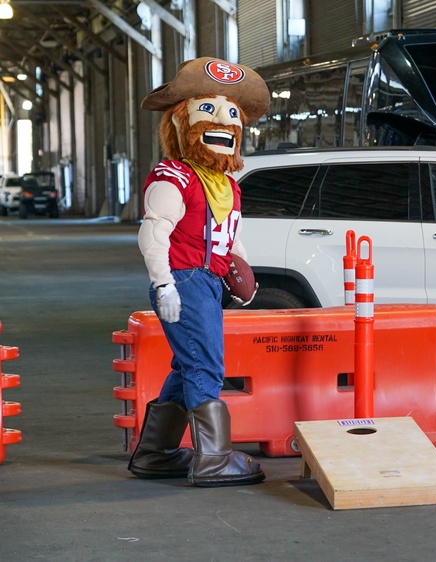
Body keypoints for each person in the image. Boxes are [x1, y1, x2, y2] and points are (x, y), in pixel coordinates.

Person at [127, 58, 268, 487]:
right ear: (181, 123)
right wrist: (163, 284)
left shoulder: (226, 184)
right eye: (208, 110)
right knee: (206, 365)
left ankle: (155, 453)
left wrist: (240, 270)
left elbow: (228, 234)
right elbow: (152, 234)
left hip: (206, 281)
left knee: (186, 365)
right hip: (184, 278)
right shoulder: (175, 178)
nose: (223, 122)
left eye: (231, 114)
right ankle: (213, 459)